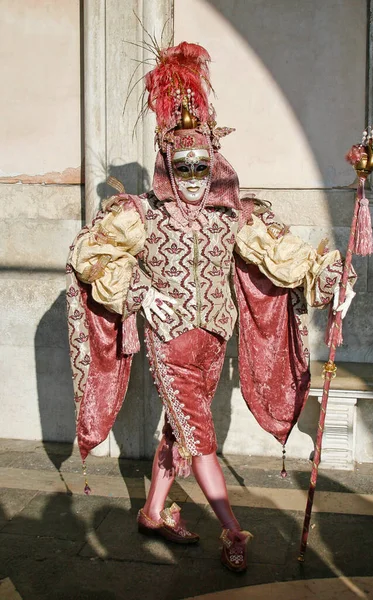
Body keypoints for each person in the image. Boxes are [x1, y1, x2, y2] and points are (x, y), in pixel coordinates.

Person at [67, 41, 355, 572]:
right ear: (168, 165)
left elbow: (281, 254)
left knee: (179, 430)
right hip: (168, 342)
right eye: (184, 166)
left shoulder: (233, 216)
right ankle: (232, 528)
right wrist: (138, 291)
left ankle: (153, 511)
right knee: (201, 436)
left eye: (202, 166)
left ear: (214, 163)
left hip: (215, 339)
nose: (195, 177)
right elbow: (91, 254)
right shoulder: (140, 214)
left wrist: (329, 276)